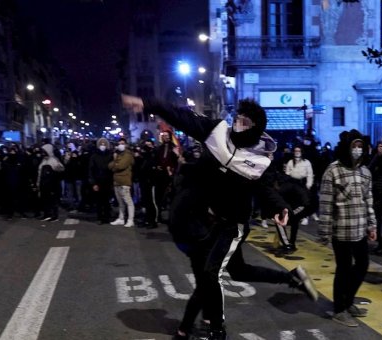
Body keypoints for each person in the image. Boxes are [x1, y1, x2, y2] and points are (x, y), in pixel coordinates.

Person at [123, 95, 317, 340]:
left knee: (211, 273)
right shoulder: (217, 132)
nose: (237, 124)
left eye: (245, 122)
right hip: (210, 220)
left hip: (233, 225)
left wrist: (280, 207)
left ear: (255, 128)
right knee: (238, 272)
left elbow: (266, 188)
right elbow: (183, 117)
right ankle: (292, 278)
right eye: (237, 119)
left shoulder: (259, 160)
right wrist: (150, 104)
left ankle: (216, 329)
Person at [319, 129, 377, 327]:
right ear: (347, 147)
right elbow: (326, 204)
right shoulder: (332, 170)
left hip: (360, 230)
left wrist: (372, 224)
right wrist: (324, 232)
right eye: (354, 146)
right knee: (343, 269)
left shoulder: (365, 172)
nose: (358, 150)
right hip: (341, 231)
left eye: (361, 146)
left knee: (362, 266)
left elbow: (368, 200)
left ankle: (348, 300)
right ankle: (339, 309)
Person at [284, 145, 314, 225]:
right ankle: (295, 217)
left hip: (302, 183)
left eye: (299, 151)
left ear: (301, 152)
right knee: (295, 202)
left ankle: (305, 217)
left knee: (304, 202)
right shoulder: (290, 162)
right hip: (293, 184)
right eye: (296, 151)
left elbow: (310, 174)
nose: (297, 152)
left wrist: (309, 184)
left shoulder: (306, 162)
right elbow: (287, 173)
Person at [109, 138, 136, 227]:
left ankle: (130, 220)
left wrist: (115, 163)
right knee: (120, 202)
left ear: (126, 144)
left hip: (125, 181)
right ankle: (121, 218)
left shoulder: (128, 154)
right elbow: (109, 166)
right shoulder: (118, 155)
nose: (121, 145)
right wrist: (115, 163)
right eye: (119, 143)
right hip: (116, 182)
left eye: (123, 143)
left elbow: (121, 166)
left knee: (128, 201)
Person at [36, 144, 65, 222]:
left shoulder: (53, 160)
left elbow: (61, 169)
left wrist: (56, 169)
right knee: (45, 200)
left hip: (52, 184)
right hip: (44, 184)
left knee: (53, 200)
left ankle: (54, 215)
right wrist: (38, 183)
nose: (43, 153)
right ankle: (46, 214)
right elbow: (39, 173)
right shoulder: (43, 161)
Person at [89, 138, 114, 225]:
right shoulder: (94, 156)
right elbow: (91, 170)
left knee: (107, 201)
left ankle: (107, 217)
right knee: (99, 201)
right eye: (101, 144)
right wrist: (93, 183)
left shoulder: (110, 155)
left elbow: (112, 169)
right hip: (98, 181)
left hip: (107, 181)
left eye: (104, 144)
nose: (102, 146)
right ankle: (100, 217)